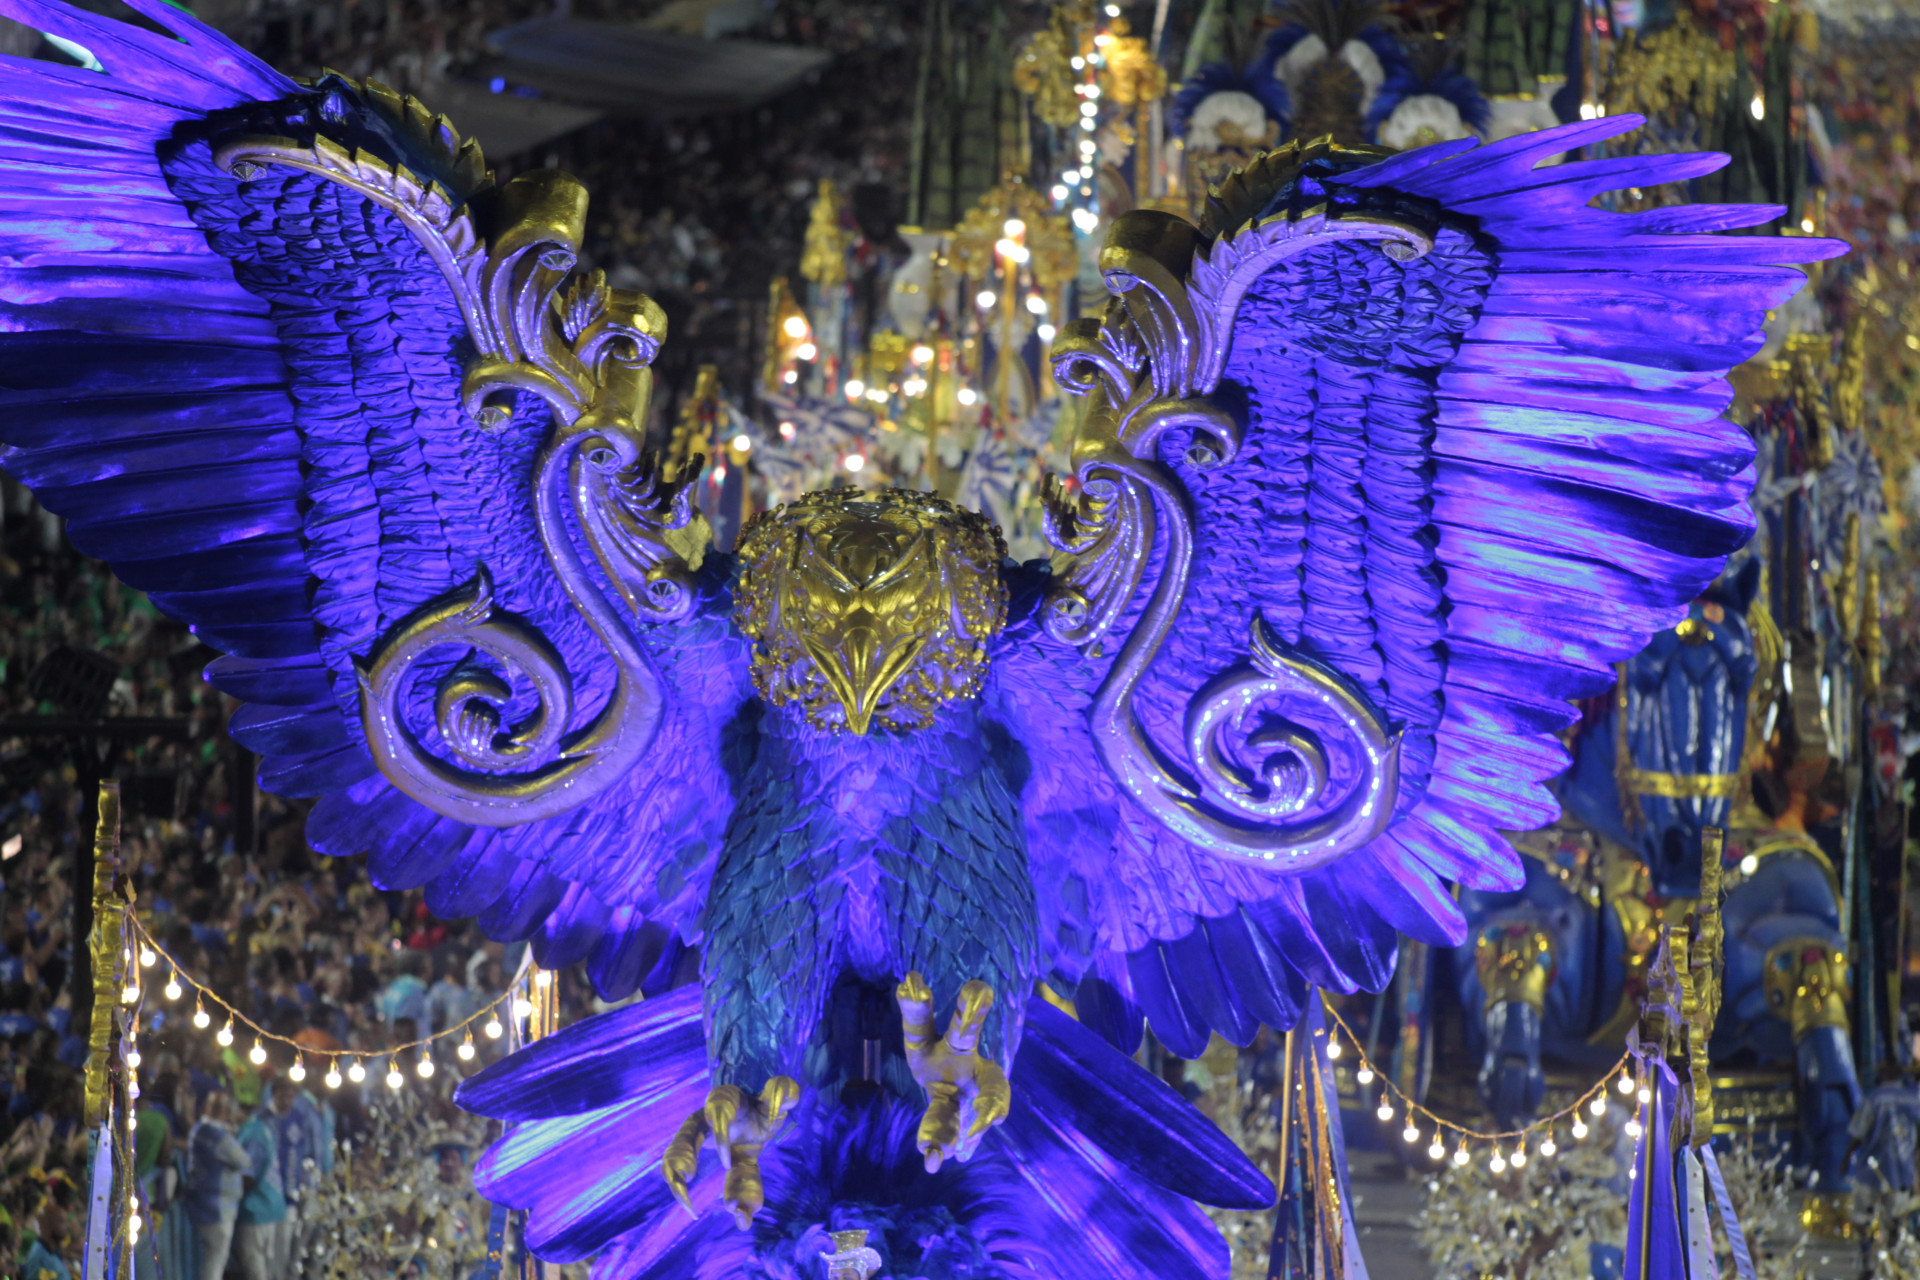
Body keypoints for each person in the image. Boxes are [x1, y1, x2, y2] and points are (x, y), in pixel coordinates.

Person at [184, 1090, 252, 1280]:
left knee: (201, 1260)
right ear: (226, 1111)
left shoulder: (198, 1129)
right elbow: (244, 1161)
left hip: (198, 1205)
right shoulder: (219, 1136)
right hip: (219, 1210)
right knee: (215, 1261)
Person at [267, 1074, 329, 1276]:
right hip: (270, 1196)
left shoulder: (306, 1117)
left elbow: (310, 1153)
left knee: (292, 1248)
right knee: (272, 1251)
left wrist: (312, 1184)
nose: (287, 1100)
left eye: (290, 1095)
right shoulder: (266, 1119)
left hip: (298, 1193)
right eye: (283, 1095)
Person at [233, 1099, 288, 1280]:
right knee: (264, 1266)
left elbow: (248, 1176)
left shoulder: (253, 1134)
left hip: (257, 1210)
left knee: (255, 1266)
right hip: (269, 1206)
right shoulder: (258, 1127)